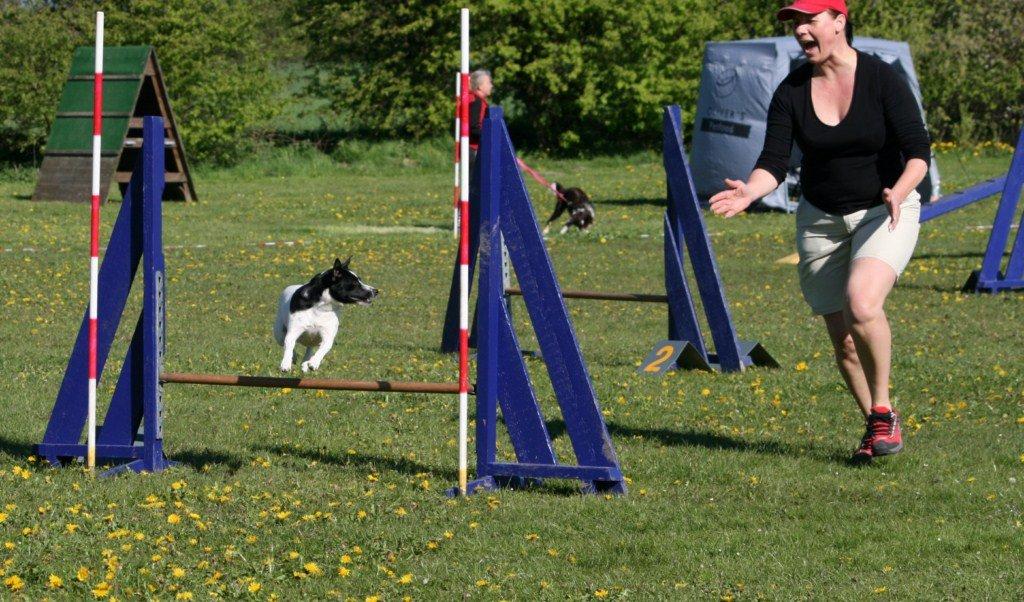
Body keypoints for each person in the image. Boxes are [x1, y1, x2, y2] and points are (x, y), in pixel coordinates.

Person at [709, 0, 931, 463]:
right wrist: (750, 192)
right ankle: (877, 425)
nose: (800, 31)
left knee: (862, 304)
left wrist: (900, 190)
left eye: (809, 20)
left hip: (883, 208)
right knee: (845, 342)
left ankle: (884, 409)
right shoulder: (790, 90)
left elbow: (917, 151)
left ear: (838, 21)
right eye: (794, 23)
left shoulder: (881, 78)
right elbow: (773, 162)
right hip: (820, 218)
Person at [468, 69, 493, 156]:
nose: (491, 86)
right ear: (479, 86)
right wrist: (491, 136)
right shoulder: (477, 102)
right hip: (473, 149)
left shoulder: (475, 100)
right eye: (489, 83)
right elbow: (474, 128)